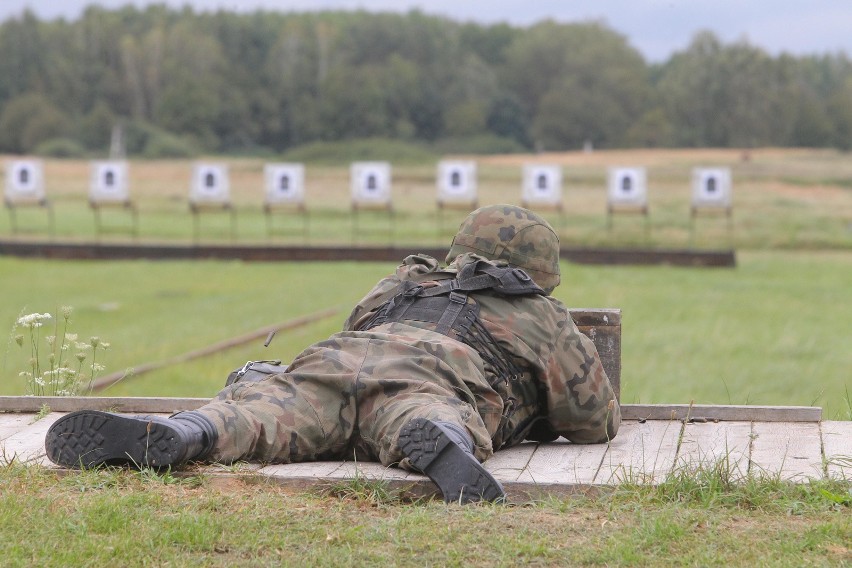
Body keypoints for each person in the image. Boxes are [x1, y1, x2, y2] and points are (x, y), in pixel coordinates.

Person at [46, 204, 621, 503]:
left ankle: (188, 431)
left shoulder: (405, 282)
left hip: (335, 364)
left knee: (258, 411)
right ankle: (441, 444)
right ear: (541, 272)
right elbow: (594, 423)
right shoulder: (541, 316)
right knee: (422, 414)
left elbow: (359, 327)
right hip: (432, 380)